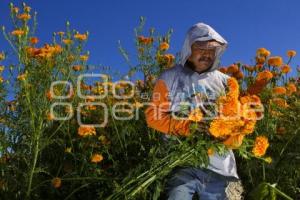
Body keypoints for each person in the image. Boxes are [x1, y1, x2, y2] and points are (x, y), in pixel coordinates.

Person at [145, 22, 240, 200]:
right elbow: (153, 117)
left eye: (212, 50)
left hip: (218, 166)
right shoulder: (169, 78)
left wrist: (225, 134)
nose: (207, 54)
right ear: (188, 48)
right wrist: (189, 127)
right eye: (201, 47)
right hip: (180, 163)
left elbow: (235, 121)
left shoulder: (228, 82)